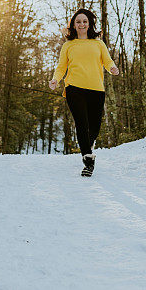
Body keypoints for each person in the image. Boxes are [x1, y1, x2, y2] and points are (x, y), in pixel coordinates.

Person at [49, 9, 119, 177]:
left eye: (85, 21)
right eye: (78, 21)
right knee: (81, 123)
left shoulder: (98, 43)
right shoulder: (68, 45)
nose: (82, 24)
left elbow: (107, 60)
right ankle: (88, 160)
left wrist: (112, 68)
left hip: (96, 89)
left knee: (94, 127)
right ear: (73, 24)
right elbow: (61, 67)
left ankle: (89, 143)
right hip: (74, 88)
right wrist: (55, 79)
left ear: (89, 24)